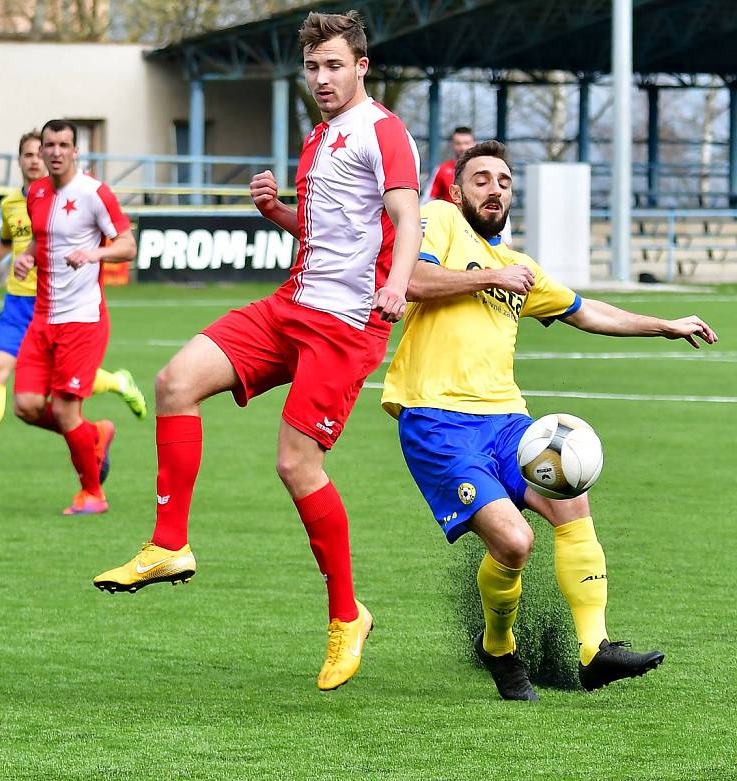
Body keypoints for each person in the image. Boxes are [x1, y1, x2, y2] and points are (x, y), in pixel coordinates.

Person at [93, 10, 422, 692]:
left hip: (345, 326)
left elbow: (405, 216)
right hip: (290, 305)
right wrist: (277, 213)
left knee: (295, 463)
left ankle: (345, 618)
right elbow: (328, 227)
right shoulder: (320, 136)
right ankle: (169, 544)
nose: (322, 79)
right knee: (174, 381)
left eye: (334, 66)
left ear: (362, 66)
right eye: (313, 68)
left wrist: (395, 283)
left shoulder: (383, 131)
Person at [382, 140, 717, 700]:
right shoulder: (438, 220)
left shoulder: (521, 266)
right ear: (457, 190)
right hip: (438, 421)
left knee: (571, 500)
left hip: (507, 419)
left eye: (505, 181)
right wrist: (492, 279)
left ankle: (594, 649)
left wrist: (665, 324)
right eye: (482, 179)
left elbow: (586, 311)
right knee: (514, 545)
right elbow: (411, 281)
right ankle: (498, 647)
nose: (495, 188)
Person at [0, 130, 146, 475]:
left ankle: (115, 385)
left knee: (59, 385)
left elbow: (119, 243)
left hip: (56, 306)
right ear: (21, 159)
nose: (36, 160)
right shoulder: (14, 202)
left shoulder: (66, 198)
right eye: (29, 155)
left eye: (41, 153)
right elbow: (8, 242)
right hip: (17, 302)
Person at [12, 119, 138, 515]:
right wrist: (28, 256)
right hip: (42, 318)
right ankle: (94, 434)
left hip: (82, 320)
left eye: (63, 144)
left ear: (75, 150)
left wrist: (94, 254)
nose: (55, 152)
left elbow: (128, 245)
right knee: (26, 405)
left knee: (66, 410)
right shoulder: (36, 192)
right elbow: (41, 235)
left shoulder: (94, 193)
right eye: (49, 145)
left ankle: (92, 494)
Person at [423, 126, 513, 246]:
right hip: (453, 232)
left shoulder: (492, 171)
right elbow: (427, 201)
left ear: (474, 143)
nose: (463, 147)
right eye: (458, 143)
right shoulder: (442, 170)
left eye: (466, 143)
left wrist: (507, 240)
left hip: (483, 226)